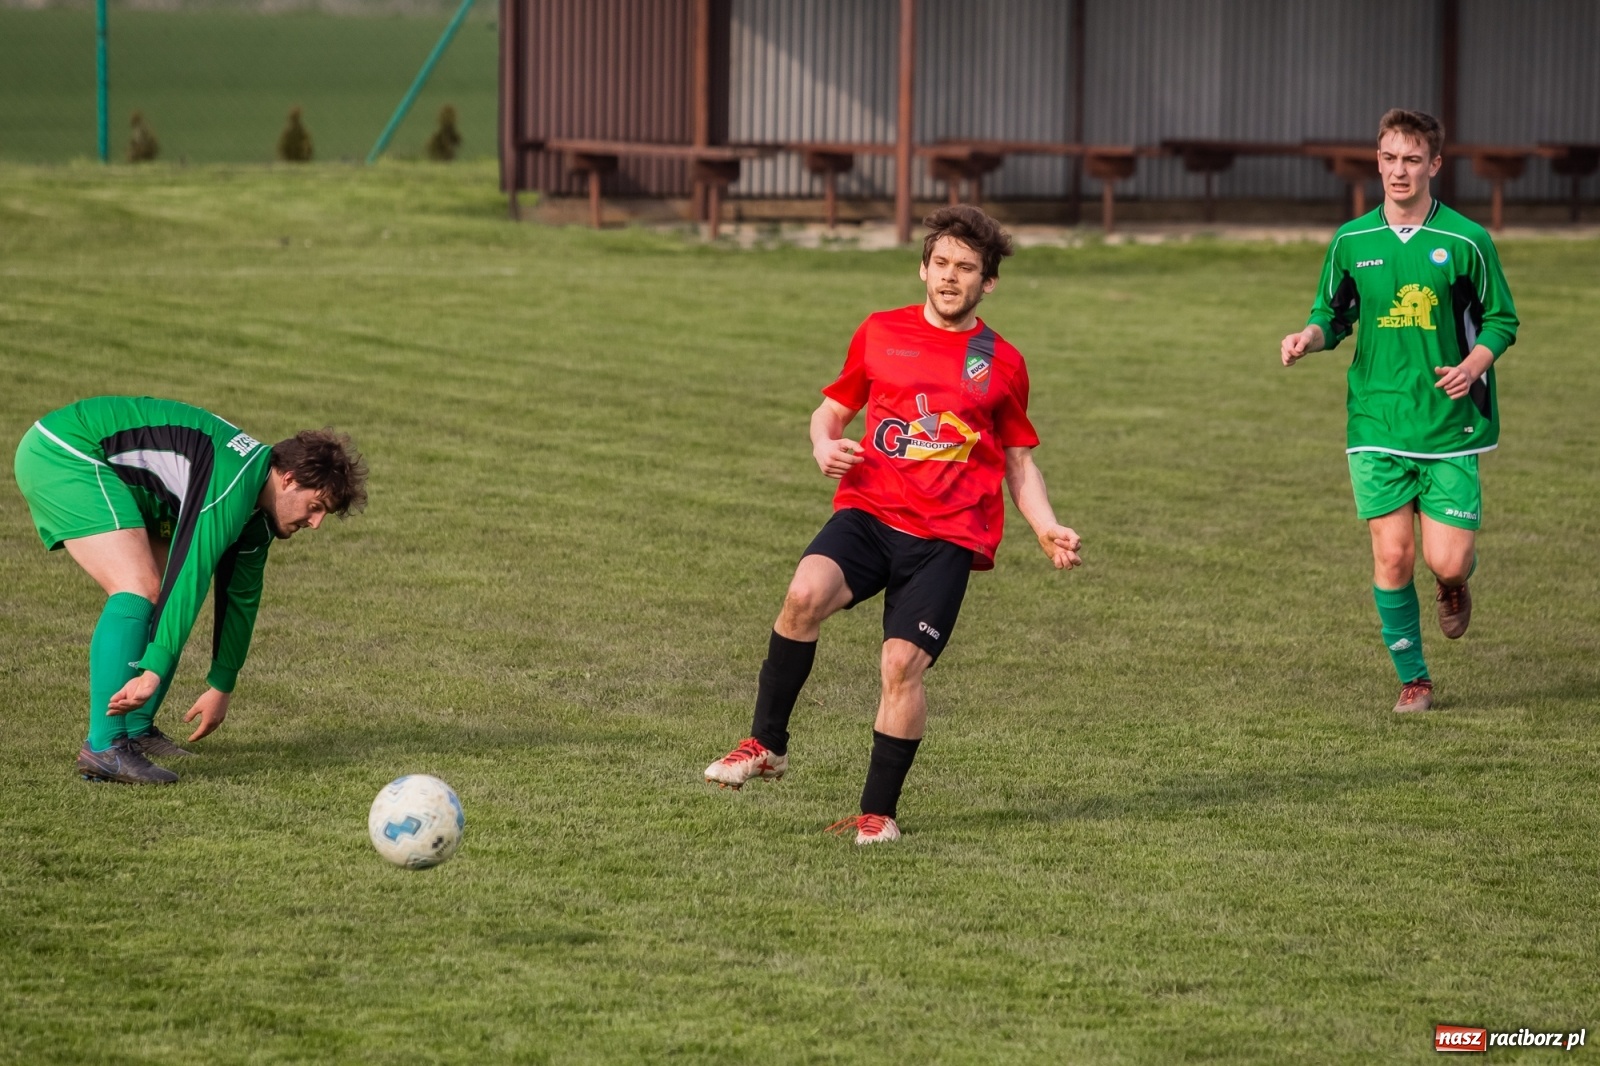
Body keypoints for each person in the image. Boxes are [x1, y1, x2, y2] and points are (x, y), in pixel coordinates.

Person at [703, 206, 1082, 844]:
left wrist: (1045, 527)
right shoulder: (880, 331)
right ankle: (766, 745)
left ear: (988, 282)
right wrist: (823, 445)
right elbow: (831, 411)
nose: (950, 277)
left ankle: (878, 814)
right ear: (923, 269)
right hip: (871, 513)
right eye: (941, 263)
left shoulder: (1002, 363)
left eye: (967, 268)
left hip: (946, 539)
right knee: (802, 595)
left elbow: (1020, 463)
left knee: (901, 666)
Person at [1280, 109, 1518, 713]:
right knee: (1392, 555)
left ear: (1434, 164)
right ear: (1378, 161)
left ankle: (1452, 584)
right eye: (1389, 158)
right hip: (1376, 418)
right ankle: (1415, 679)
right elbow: (1333, 313)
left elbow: (1501, 319)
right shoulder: (1352, 241)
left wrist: (1473, 366)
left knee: (1448, 560)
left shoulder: (1466, 240)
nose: (1399, 171)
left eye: (1412, 159)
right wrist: (1309, 337)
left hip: (1448, 423)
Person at [12, 396, 367, 783]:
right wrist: (152, 670)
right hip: (66, 450)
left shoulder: (257, 510)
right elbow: (190, 575)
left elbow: (241, 597)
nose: (316, 523)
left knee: (159, 594)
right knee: (139, 589)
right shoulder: (233, 483)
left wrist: (222, 685)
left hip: (121, 477)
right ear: (289, 479)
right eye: (316, 506)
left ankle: (136, 730)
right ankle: (105, 746)